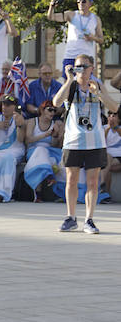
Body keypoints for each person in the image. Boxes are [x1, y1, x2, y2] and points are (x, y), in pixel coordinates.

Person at [53, 55, 118, 233]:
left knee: (92, 183)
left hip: (95, 141)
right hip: (73, 141)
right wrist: (68, 80)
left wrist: (98, 93)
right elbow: (56, 102)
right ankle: (70, 217)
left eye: (84, 66)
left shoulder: (97, 85)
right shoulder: (71, 85)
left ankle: (89, 219)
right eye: (78, 66)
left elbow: (113, 108)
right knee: (71, 181)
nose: (81, 69)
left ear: (92, 68)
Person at [48, 0, 104, 77]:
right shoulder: (71, 15)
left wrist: (92, 37)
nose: (81, 3)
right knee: (69, 81)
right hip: (71, 56)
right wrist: (51, 6)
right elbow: (51, 17)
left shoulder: (95, 19)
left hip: (86, 58)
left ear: (90, 4)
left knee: (85, 82)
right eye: (78, 1)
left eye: (84, 1)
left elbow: (101, 39)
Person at [23, 101, 64, 201]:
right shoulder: (32, 121)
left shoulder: (56, 124)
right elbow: (28, 140)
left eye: (54, 110)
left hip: (49, 151)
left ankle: (58, 193)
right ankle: (45, 182)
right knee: (41, 151)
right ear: (42, 110)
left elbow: (56, 145)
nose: (52, 113)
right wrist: (45, 135)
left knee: (61, 159)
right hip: (33, 151)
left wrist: (56, 136)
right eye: (49, 109)